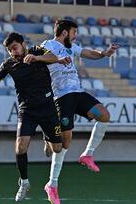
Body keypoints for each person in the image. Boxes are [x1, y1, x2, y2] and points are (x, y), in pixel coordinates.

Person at [0, 32, 70, 202]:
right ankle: (24, 182)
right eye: (9, 50)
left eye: (15, 48)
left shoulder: (37, 50)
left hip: (47, 108)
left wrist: (36, 59)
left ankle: (46, 139)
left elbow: (53, 57)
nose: (13, 52)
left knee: (57, 149)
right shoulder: (8, 64)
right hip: (27, 110)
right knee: (20, 147)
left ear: (23, 44)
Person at [41, 19, 118, 204]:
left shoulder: (72, 47)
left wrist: (104, 54)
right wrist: (55, 59)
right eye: (74, 32)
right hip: (61, 97)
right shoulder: (48, 44)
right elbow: (39, 57)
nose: (76, 35)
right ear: (65, 32)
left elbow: (89, 53)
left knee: (104, 115)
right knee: (65, 144)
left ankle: (87, 154)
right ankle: (52, 184)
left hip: (78, 92)